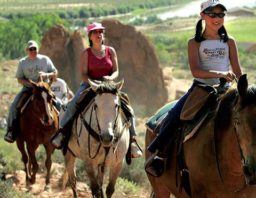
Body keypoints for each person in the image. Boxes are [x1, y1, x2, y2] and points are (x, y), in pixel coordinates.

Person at [145, 0, 242, 175]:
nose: (217, 18)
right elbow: (196, 71)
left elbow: (238, 71)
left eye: (221, 14)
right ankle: (158, 153)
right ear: (203, 16)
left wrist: (246, 90)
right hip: (201, 89)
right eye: (212, 14)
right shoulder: (194, 42)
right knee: (176, 115)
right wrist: (219, 73)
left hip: (226, 90)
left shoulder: (229, 41)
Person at [51, 22, 143, 158]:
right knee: (73, 103)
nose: (99, 34)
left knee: (128, 107)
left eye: (100, 32)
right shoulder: (86, 53)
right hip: (90, 84)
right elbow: (83, 74)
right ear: (90, 36)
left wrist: (109, 77)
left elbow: (116, 70)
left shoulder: (110, 51)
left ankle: (133, 141)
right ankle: (62, 133)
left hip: (108, 85)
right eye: (95, 32)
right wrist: (92, 83)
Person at [4, 40, 58, 143]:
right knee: (14, 106)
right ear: (27, 50)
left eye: (35, 49)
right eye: (31, 49)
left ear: (38, 49)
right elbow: (19, 79)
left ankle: (61, 131)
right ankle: (11, 131)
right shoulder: (23, 62)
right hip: (29, 89)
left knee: (59, 104)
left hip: (44, 90)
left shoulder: (45, 59)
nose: (33, 51)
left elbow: (55, 73)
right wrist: (32, 84)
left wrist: (46, 75)